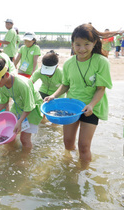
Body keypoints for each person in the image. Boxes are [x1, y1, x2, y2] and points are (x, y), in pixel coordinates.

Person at [44, 24, 113, 162]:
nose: (82, 49)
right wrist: (53, 96)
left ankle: (84, 172)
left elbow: (101, 89)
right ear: (72, 44)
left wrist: (91, 105)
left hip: (91, 108)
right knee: (68, 142)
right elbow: (65, 84)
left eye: (86, 44)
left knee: (84, 146)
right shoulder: (69, 62)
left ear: (94, 43)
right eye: (78, 45)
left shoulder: (101, 62)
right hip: (71, 107)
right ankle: (70, 166)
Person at [0, 57, 43, 152]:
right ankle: (11, 153)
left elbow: (29, 106)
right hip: (18, 105)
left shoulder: (22, 84)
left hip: (33, 108)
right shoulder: (1, 84)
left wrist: (20, 121)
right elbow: (3, 101)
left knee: (24, 139)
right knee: (9, 134)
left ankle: (24, 159)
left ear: (6, 75)